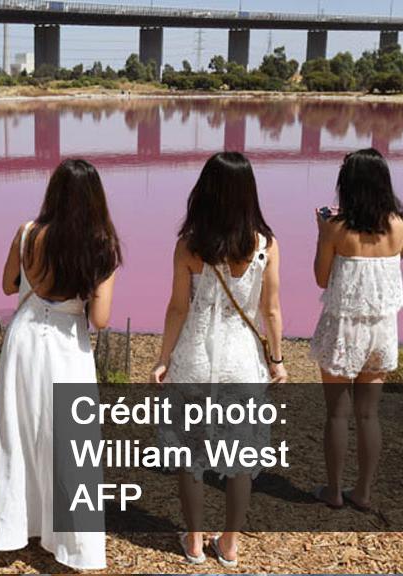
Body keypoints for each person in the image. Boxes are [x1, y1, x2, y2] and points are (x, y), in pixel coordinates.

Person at [151, 152, 287, 567]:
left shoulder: (191, 245)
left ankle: (193, 542)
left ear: (205, 192)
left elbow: (177, 308)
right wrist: (277, 360)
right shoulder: (265, 244)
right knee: (240, 457)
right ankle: (229, 544)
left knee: (190, 455)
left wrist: (163, 357)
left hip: (195, 356)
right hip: (242, 359)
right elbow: (272, 309)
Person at [0, 159, 121, 570]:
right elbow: (99, 320)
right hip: (66, 346)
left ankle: (16, 525)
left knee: (17, 430)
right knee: (70, 441)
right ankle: (72, 543)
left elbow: (8, 284)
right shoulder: (101, 246)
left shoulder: (27, 233)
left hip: (24, 338)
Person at [311, 148, 403, 510]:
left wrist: (322, 233)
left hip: (343, 327)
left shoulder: (336, 228)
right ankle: (364, 492)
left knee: (337, 413)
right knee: (369, 414)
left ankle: (334, 490)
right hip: (381, 328)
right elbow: (398, 260)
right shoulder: (401, 224)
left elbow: (322, 278)